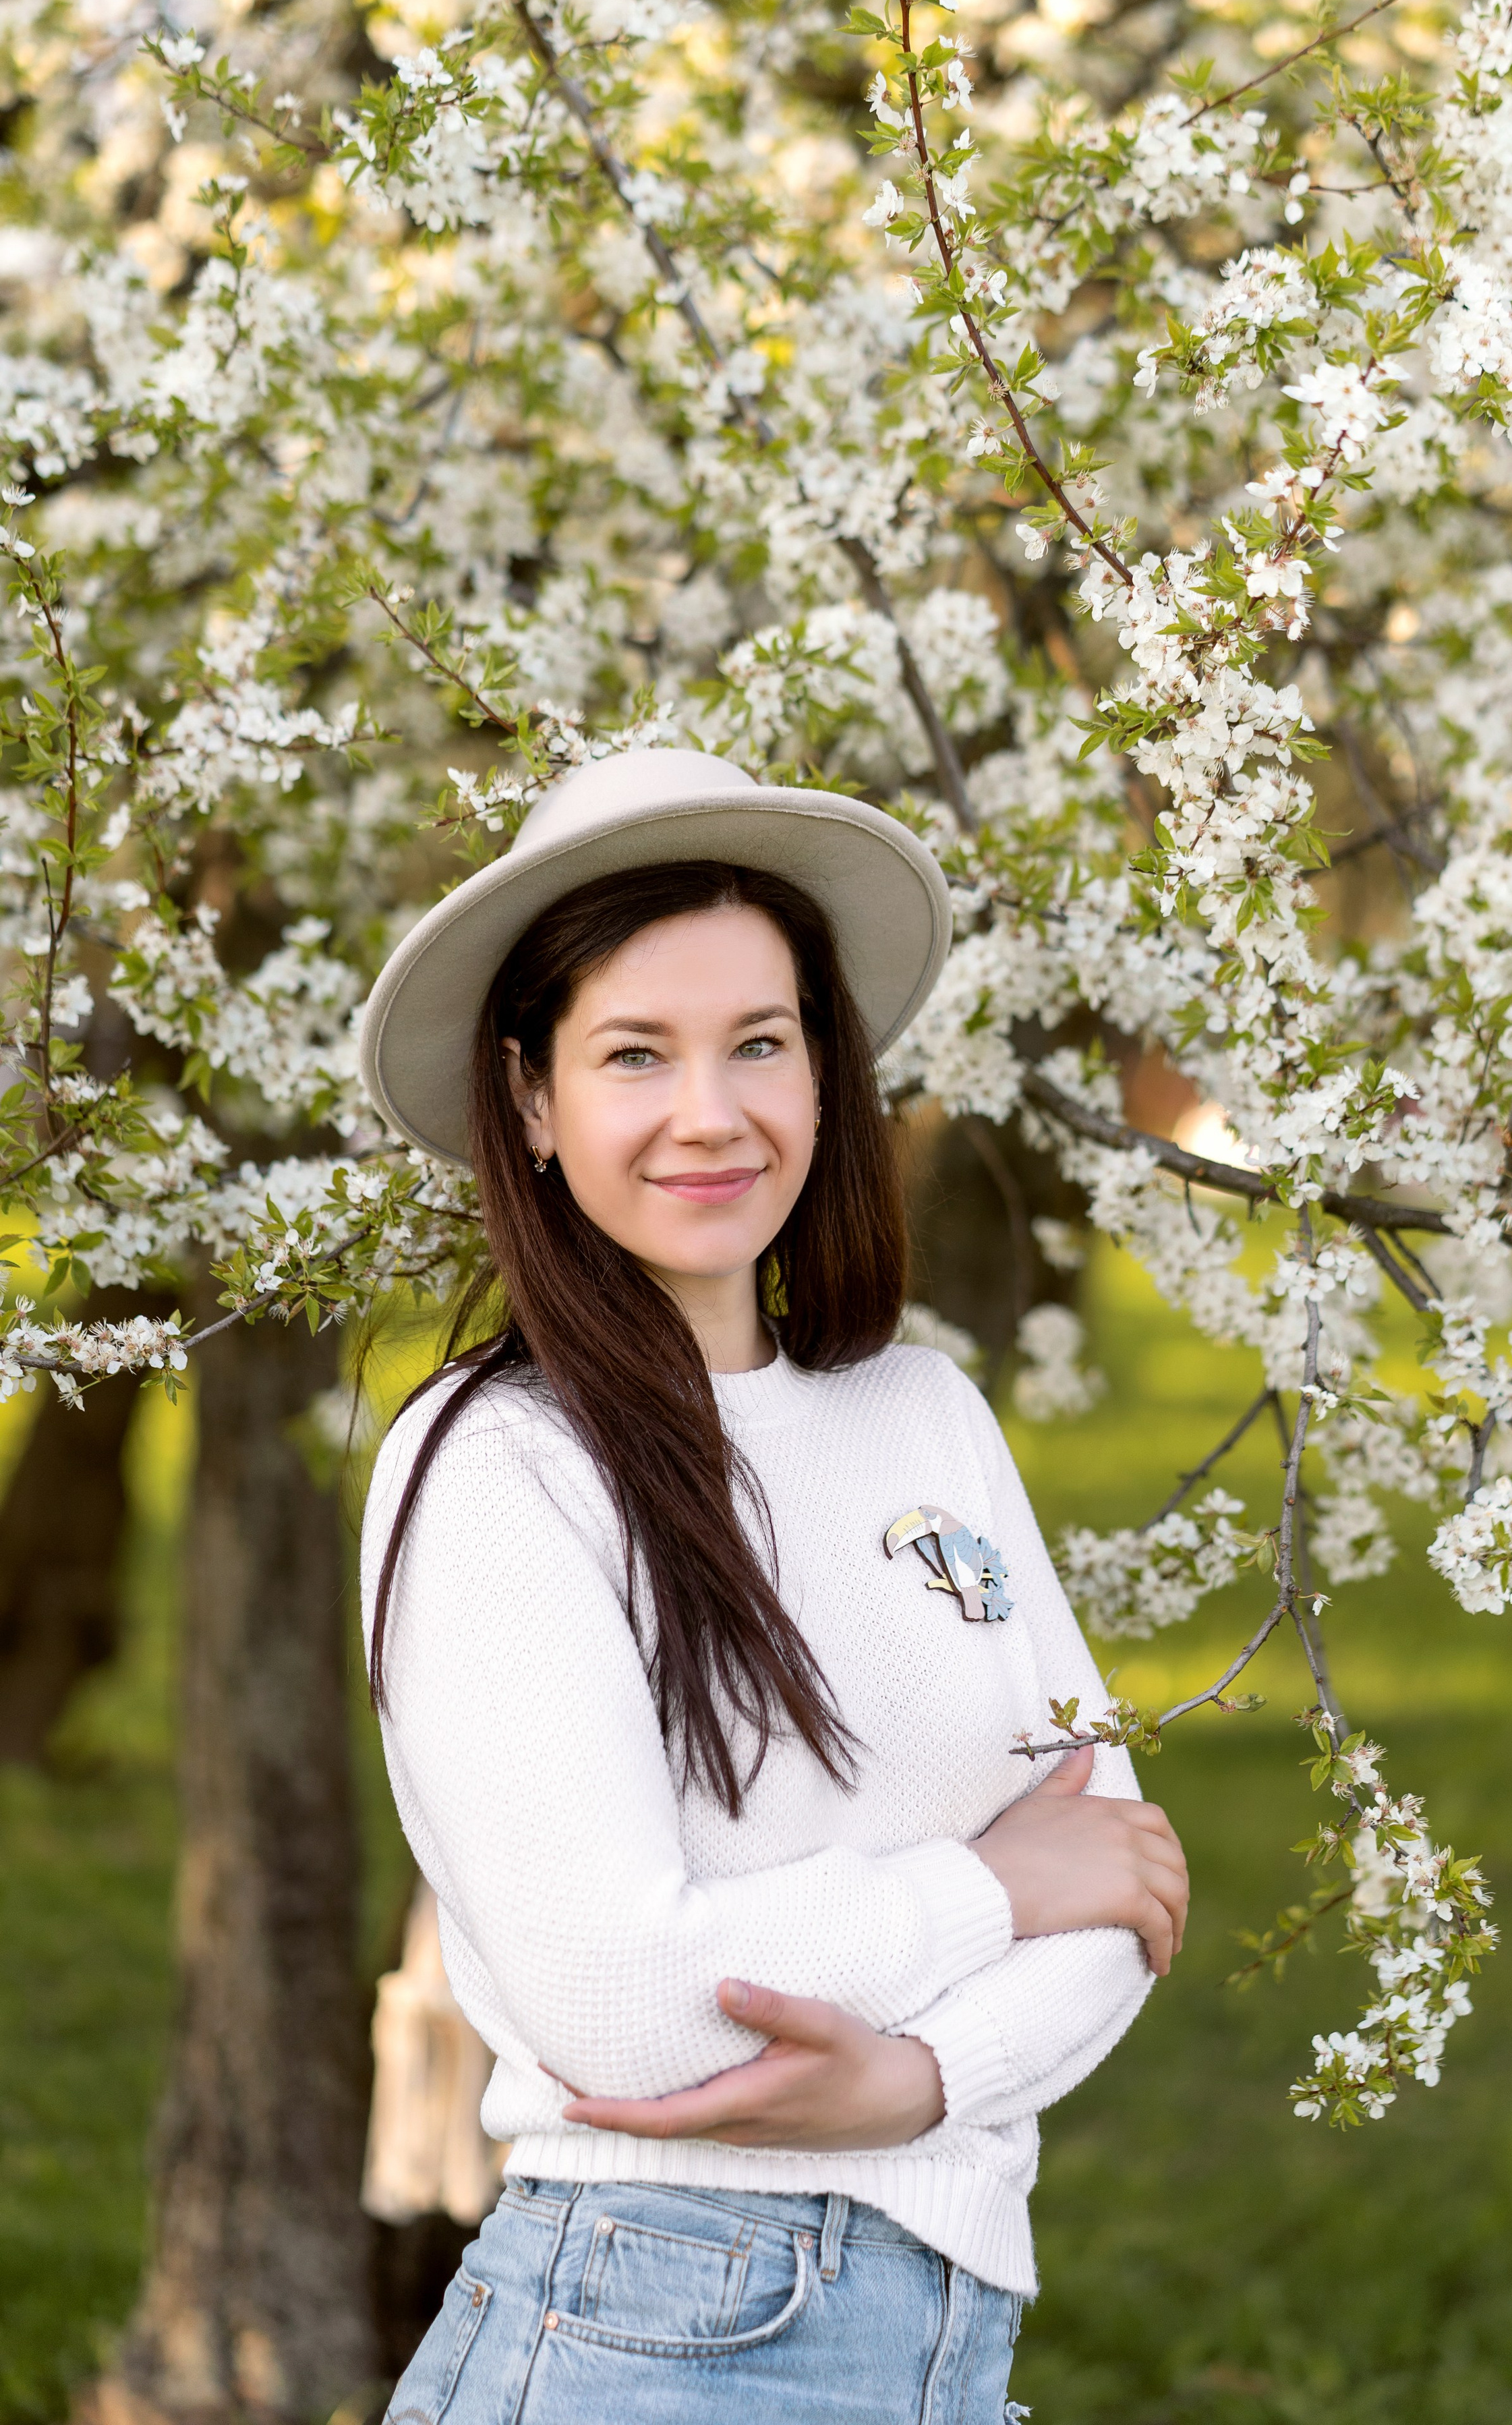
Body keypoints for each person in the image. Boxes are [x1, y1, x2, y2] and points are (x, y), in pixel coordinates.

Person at [357, 747, 1190, 2424]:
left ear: (826, 1071)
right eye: (632, 1056)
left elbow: (1125, 1877)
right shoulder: (500, 1465)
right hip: (644, 2332)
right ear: (528, 1098)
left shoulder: (922, 1418)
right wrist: (985, 1890)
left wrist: (923, 2080)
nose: (709, 1113)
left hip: (943, 2336)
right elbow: (626, 2005)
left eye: (758, 1042)